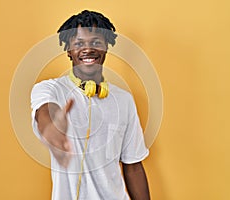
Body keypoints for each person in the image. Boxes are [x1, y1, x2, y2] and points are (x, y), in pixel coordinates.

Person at [31, 10, 150, 200]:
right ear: (68, 51)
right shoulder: (49, 89)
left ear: (106, 47)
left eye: (96, 42)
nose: (88, 49)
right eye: (79, 43)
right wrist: (51, 128)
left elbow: (133, 165)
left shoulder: (124, 100)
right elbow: (43, 113)